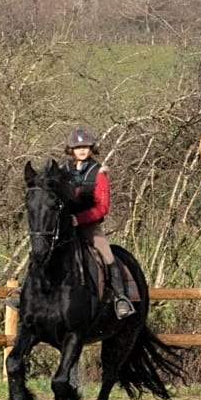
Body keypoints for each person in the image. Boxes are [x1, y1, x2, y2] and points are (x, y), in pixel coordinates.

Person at [61, 126, 135, 319]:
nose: (82, 150)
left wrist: (79, 219)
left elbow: (102, 208)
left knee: (107, 255)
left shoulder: (99, 173)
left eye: (85, 147)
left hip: (88, 226)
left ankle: (121, 298)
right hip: (64, 226)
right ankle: (27, 292)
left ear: (91, 148)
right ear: (71, 150)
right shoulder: (63, 171)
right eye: (78, 147)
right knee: (42, 249)